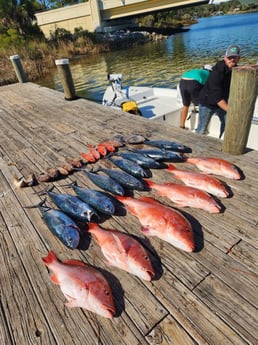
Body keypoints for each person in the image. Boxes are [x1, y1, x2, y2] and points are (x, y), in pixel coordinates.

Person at [196, 44, 241, 137]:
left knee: (228, 125)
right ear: (225, 58)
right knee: (202, 129)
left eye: (234, 57)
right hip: (207, 102)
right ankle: (197, 147)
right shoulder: (217, 72)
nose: (232, 59)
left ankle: (222, 143)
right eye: (230, 57)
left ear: (238, 59)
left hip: (222, 101)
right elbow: (216, 96)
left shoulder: (235, 69)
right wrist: (231, 110)